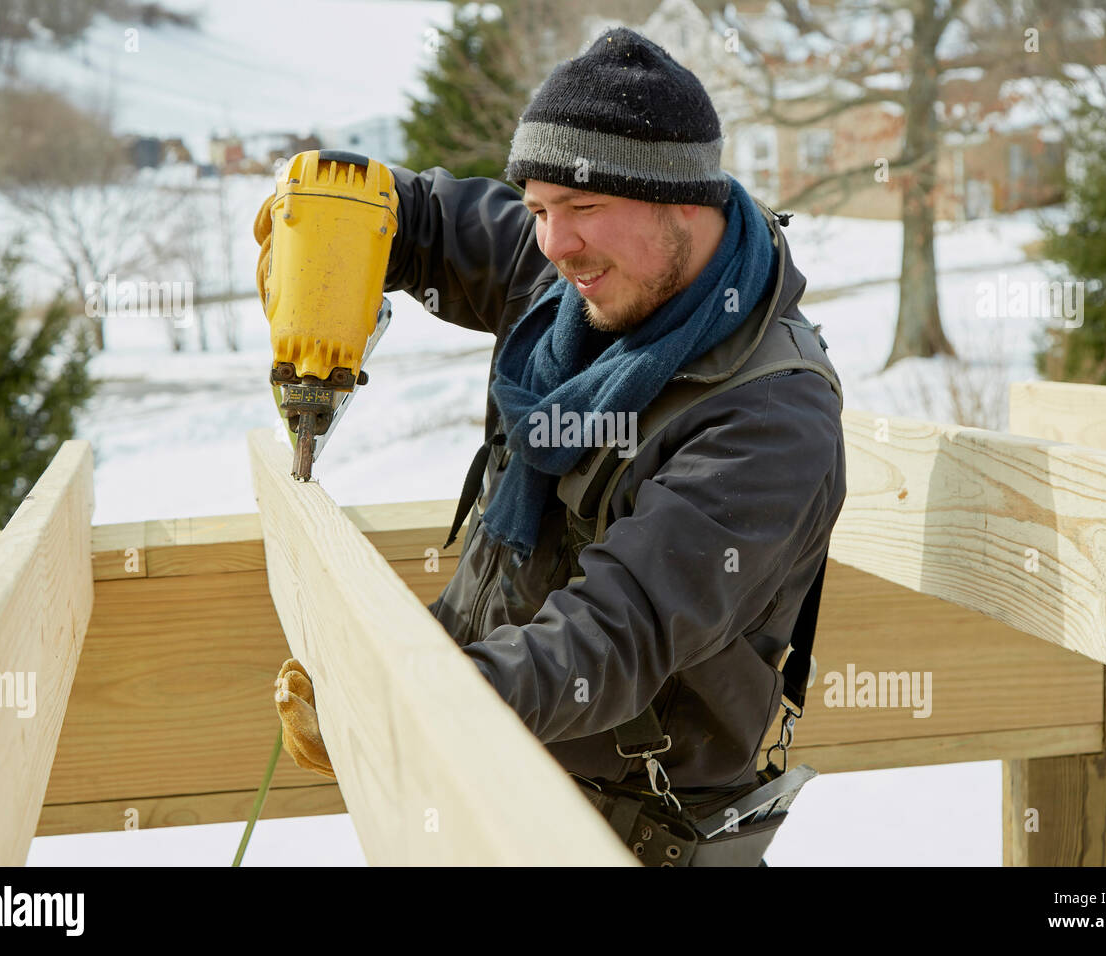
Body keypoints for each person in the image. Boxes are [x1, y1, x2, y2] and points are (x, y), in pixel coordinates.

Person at [271, 26, 846, 866]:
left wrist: (403, 698)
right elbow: (428, 221)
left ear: (685, 201)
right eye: (539, 208)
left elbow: (614, 633)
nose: (554, 243)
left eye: (581, 209)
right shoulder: (571, 287)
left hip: (615, 832)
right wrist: (345, 208)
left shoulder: (771, 416)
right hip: (483, 766)